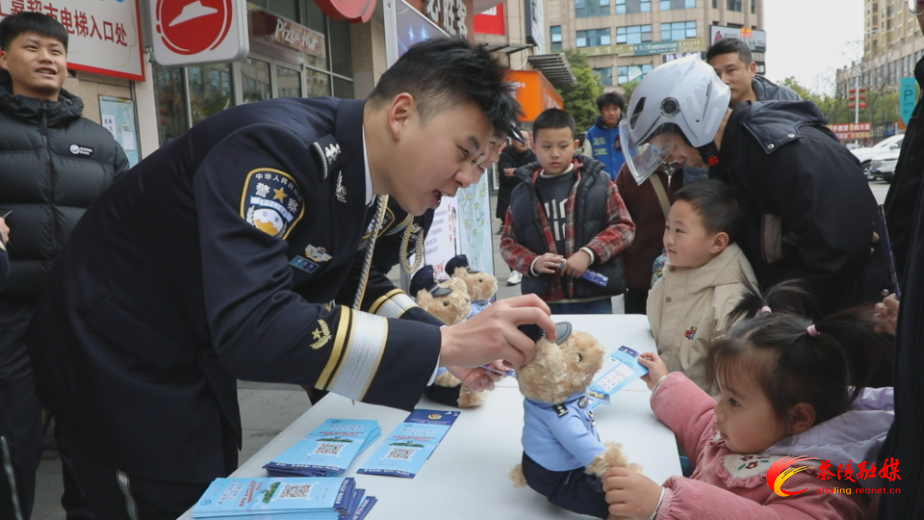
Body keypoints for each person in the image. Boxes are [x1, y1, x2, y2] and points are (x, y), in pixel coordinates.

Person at [25, 38, 556, 518]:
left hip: (186, 343)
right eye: (464, 153)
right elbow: (254, 324)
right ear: (401, 113)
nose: (467, 178)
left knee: (207, 481)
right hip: (110, 349)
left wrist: (443, 347)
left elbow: (350, 282)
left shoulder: (370, 174)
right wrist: (440, 342)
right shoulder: (276, 150)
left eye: (480, 163)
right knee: (154, 498)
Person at [620, 56, 891, 316]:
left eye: (672, 146)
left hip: (844, 319)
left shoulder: (783, 152)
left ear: (695, 122)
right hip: (805, 314)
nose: (676, 158)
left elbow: (838, 248)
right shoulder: (731, 157)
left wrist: (774, 313)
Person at [0, 12, 129, 520]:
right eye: (33, 48)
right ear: (4, 57)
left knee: (93, 438)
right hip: (9, 314)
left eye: (56, 50)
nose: (47, 58)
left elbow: (129, 221)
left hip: (82, 314)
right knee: (13, 441)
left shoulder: (99, 143)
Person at [603, 301, 893, 519]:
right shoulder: (752, 433)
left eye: (734, 400)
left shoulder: (822, 486)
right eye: (721, 393)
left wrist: (664, 506)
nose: (719, 410)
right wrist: (664, 384)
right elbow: (704, 425)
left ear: (798, 417)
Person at [501, 108, 635, 315]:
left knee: (596, 347)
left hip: (593, 296)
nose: (554, 153)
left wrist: (589, 253)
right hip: (544, 301)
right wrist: (533, 262)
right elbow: (508, 243)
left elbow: (624, 227)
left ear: (575, 146)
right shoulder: (521, 192)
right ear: (533, 146)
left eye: (562, 146)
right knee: (550, 347)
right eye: (546, 146)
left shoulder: (600, 182)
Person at [646, 180, 756, 392]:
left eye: (679, 231)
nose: (668, 239)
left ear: (717, 243)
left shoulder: (732, 303)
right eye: (667, 226)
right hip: (661, 402)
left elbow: (729, 395)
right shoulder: (673, 271)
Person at [613, 161, 681, 315]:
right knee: (640, 331)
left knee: (689, 333)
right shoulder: (633, 168)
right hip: (640, 277)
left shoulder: (696, 165)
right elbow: (618, 220)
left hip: (689, 273)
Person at [706, 37, 800, 107]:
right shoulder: (708, 111)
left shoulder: (783, 97)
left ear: (751, 69)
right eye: (717, 74)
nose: (723, 80)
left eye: (731, 70)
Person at [497, 130, 535, 284]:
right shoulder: (505, 155)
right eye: (520, 138)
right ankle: (513, 271)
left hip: (528, 202)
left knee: (528, 237)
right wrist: (524, 173)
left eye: (526, 138)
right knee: (510, 240)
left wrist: (517, 172)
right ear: (512, 140)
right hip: (508, 203)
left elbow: (533, 176)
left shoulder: (533, 156)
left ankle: (526, 267)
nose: (523, 141)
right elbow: (505, 175)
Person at [583, 92, 626, 181]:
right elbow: (586, 160)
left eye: (615, 109)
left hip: (628, 183)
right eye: (607, 109)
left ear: (620, 110)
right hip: (602, 184)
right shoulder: (592, 133)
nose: (611, 113)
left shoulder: (629, 130)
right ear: (601, 111)